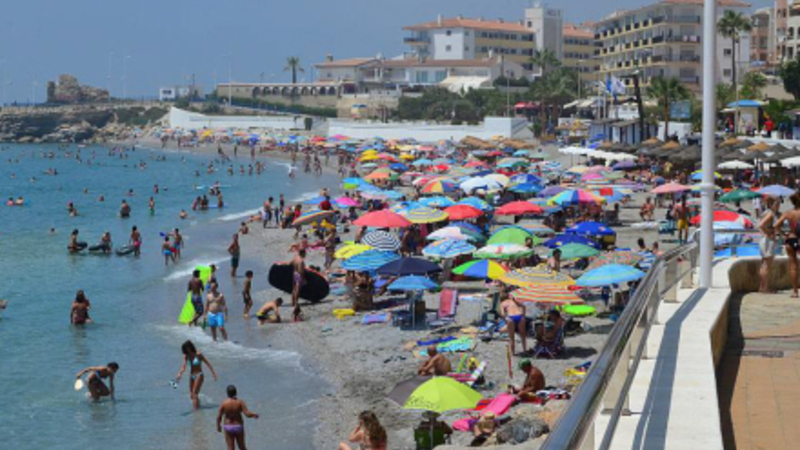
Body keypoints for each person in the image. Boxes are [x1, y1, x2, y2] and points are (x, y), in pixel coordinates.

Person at [176, 340, 218, 409]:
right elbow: (184, 366)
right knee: (192, 395)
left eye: (188, 347)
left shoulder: (198, 354)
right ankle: (199, 407)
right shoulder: (186, 356)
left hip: (199, 374)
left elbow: (208, 363)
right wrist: (180, 373)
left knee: (194, 394)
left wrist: (213, 373)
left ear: (191, 347)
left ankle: (195, 411)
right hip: (191, 375)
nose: (187, 349)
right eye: (186, 348)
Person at [217, 385, 259, 450]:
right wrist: (254, 414)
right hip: (238, 426)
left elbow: (219, 417)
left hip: (228, 426)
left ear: (227, 393)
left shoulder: (224, 403)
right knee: (242, 447)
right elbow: (247, 414)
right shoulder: (240, 402)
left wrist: (218, 426)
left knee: (230, 448)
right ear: (236, 392)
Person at [776, 191, 800, 297]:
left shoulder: (788, 213)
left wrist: (784, 234)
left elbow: (776, 226)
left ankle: (795, 291)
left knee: (793, 266)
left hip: (791, 239)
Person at [759, 196, 779, 293]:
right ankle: (766, 288)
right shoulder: (770, 213)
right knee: (767, 265)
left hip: (764, 240)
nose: (778, 206)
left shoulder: (765, 212)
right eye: (777, 204)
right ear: (772, 204)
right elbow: (761, 225)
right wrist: (768, 234)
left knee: (764, 265)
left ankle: (762, 287)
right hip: (768, 241)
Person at [291, 249, 306, 321]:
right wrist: (303, 278)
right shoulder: (301, 261)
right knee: (297, 289)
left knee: (294, 288)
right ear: (303, 253)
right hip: (299, 275)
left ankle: (293, 302)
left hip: (294, 273)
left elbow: (289, 263)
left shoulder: (295, 258)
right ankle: (296, 302)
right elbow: (300, 270)